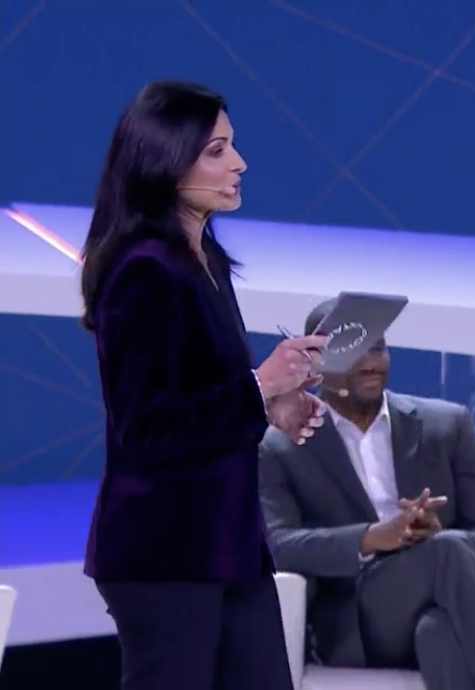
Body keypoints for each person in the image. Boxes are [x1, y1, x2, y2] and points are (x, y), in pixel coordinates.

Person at [80, 80, 329, 690]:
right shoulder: (142, 270)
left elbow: (205, 395)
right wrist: (259, 386)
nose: (239, 163)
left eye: (232, 146)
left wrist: (273, 406)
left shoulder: (206, 261)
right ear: (165, 162)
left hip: (228, 544)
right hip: (164, 552)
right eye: (217, 151)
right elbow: (147, 429)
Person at [258, 298, 475, 690]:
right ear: (315, 365)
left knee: (439, 632)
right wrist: (372, 537)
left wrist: (433, 541)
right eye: (353, 351)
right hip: (356, 622)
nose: (370, 363)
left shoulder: (447, 426)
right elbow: (278, 546)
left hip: (443, 605)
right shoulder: (282, 444)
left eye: (378, 348)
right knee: (446, 553)